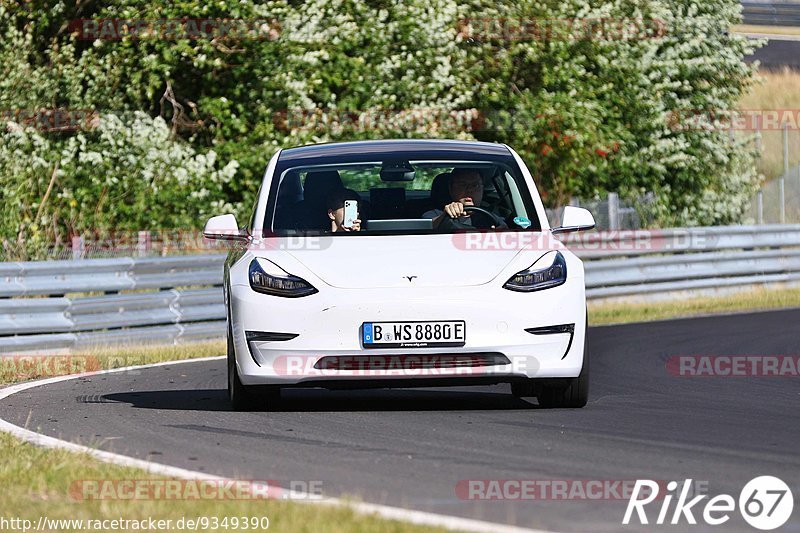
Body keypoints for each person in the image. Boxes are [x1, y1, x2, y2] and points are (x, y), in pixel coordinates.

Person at [423, 168, 506, 229]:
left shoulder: (492, 216)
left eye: (475, 185)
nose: (469, 190)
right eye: (462, 185)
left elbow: (506, 229)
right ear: (451, 189)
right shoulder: (434, 213)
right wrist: (445, 215)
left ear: (482, 190)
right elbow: (427, 227)